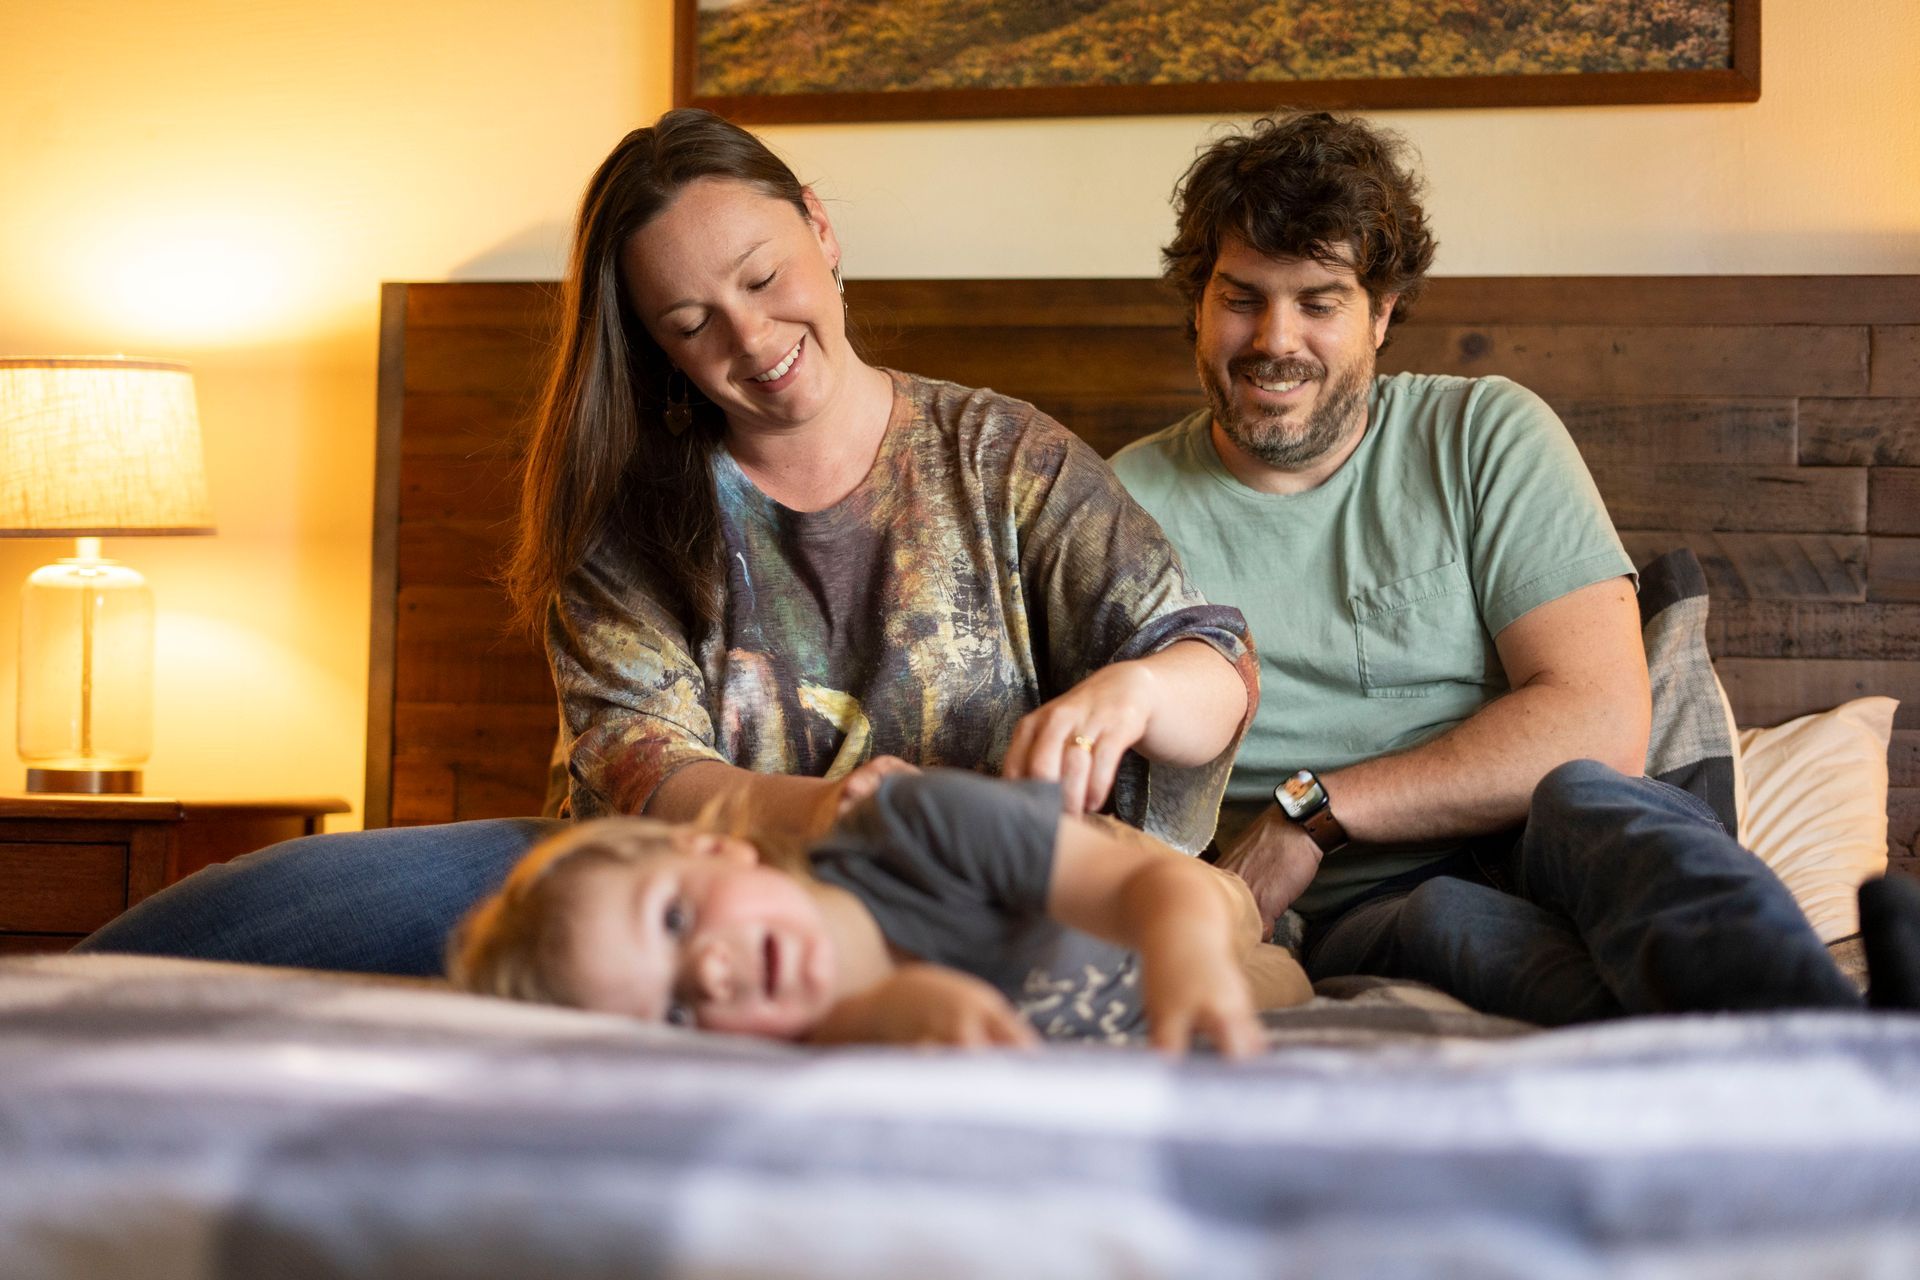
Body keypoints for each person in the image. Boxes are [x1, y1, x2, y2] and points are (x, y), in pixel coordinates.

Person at [76, 108, 1256, 977]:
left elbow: (1213, 669)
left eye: (765, 275)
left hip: (971, 899)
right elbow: (641, 769)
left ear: (823, 232)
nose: (752, 337)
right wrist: (837, 814)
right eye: (694, 323)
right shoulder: (632, 511)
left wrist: (1137, 688)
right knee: (259, 907)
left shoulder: (1004, 457)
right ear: (657, 347)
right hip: (666, 900)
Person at [1109, 110, 1920, 1024]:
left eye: (1320, 301)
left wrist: (1313, 810)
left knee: (1600, 804)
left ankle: (1823, 1021)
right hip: (1358, 903)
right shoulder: (1119, 504)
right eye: (1243, 296)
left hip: (1552, 829)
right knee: (1445, 922)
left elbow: (1600, 719)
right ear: (1198, 307)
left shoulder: (1484, 434)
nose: (1274, 339)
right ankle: (1762, 1042)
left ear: (1381, 314)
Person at [452, 769, 1312, 1054]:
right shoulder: (798, 1039)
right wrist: (895, 1017)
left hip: (1142, 895)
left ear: (715, 848)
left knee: (1276, 971)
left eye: (675, 921)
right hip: (1125, 1011)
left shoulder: (916, 826)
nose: (712, 975)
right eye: (676, 1010)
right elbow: (900, 1021)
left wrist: (1188, 954)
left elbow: (1140, 891)